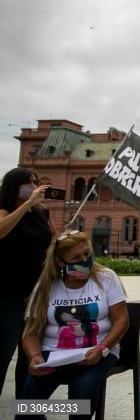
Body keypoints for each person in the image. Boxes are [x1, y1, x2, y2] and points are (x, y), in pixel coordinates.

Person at [18, 230, 128, 419]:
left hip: (96, 351)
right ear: (61, 262)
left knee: (82, 392)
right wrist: (34, 357)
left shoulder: (106, 278)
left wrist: (102, 348)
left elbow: (122, 320)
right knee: (27, 404)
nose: (84, 260)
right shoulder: (46, 286)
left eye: (87, 253)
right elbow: (31, 332)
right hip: (52, 354)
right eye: (76, 257)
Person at [0, 167, 56, 398]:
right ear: (15, 186)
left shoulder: (39, 213)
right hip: (7, 294)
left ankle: (27, 411)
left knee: (31, 358)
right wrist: (26, 205)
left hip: (35, 294)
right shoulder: (5, 210)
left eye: (36, 182)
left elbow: (54, 238)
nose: (34, 187)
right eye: (29, 183)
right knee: (3, 353)